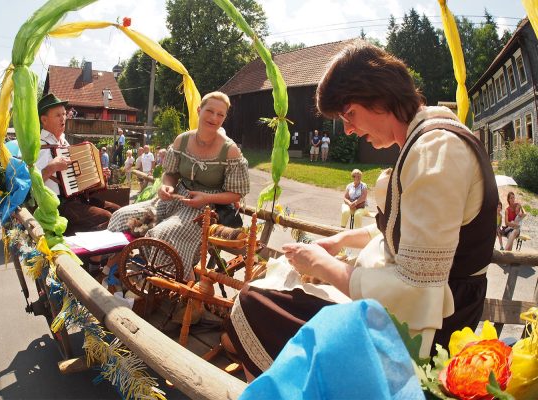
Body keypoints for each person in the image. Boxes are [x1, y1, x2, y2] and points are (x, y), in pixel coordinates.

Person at [225, 40, 498, 380]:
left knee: (255, 305)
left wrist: (323, 266)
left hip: (427, 332)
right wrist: (340, 241)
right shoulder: (426, 141)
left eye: (350, 113)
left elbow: (416, 289)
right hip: (411, 311)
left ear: (379, 95)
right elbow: (402, 230)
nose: (349, 129)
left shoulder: (436, 152)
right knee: (266, 294)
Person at [107, 91, 250, 280]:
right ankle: (117, 267)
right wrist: (166, 186)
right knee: (122, 215)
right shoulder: (182, 140)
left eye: (220, 114)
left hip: (205, 209)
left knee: (161, 234)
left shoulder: (230, 150)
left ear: (224, 117)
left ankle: (177, 281)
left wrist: (206, 198)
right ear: (199, 110)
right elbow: (170, 174)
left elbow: (236, 194)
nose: (214, 118)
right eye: (210, 111)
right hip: (175, 198)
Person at [35, 93, 120, 235]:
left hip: (78, 200)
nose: (63, 118)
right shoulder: (38, 147)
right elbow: (32, 186)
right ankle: (92, 256)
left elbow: (78, 180)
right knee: (107, 218)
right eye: (57, 115)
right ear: (44, 120)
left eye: (64, 114)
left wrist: (99, 176)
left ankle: (106, 253)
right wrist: (51, 168)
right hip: (59, 205)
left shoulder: (64, 142)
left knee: (119, 212)